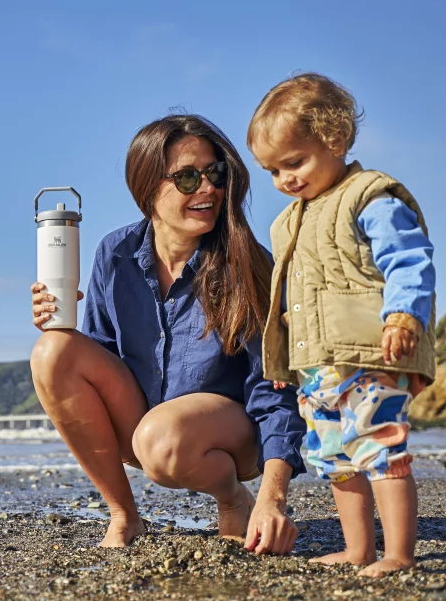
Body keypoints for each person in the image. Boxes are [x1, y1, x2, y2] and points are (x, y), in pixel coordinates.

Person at [30, 114, 306, 550]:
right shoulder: (114, 253)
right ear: (147, 189)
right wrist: (63, 330)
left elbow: (275, 390)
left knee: (160, 437)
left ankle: (233, 496)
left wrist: (274, 500)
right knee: (51, 350)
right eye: (188, 177)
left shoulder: (247, 263)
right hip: (146, 428)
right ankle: (124, 516)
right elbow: (101, 361)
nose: (209, 189)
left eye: (215, 173)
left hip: (230, 433)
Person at [248, 73, 436, 576]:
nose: (284, 179)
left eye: (294, 162)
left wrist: (403, 315)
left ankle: (398, 553)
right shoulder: (288, 221)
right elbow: (291, 300)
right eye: (272, 170)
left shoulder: (369, 197)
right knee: (334, 456)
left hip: (372, 351)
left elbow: (409, 260)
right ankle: (359, 550)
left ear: (336, 139)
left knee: (378, 445)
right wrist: (285, 359)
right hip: (318, 366)